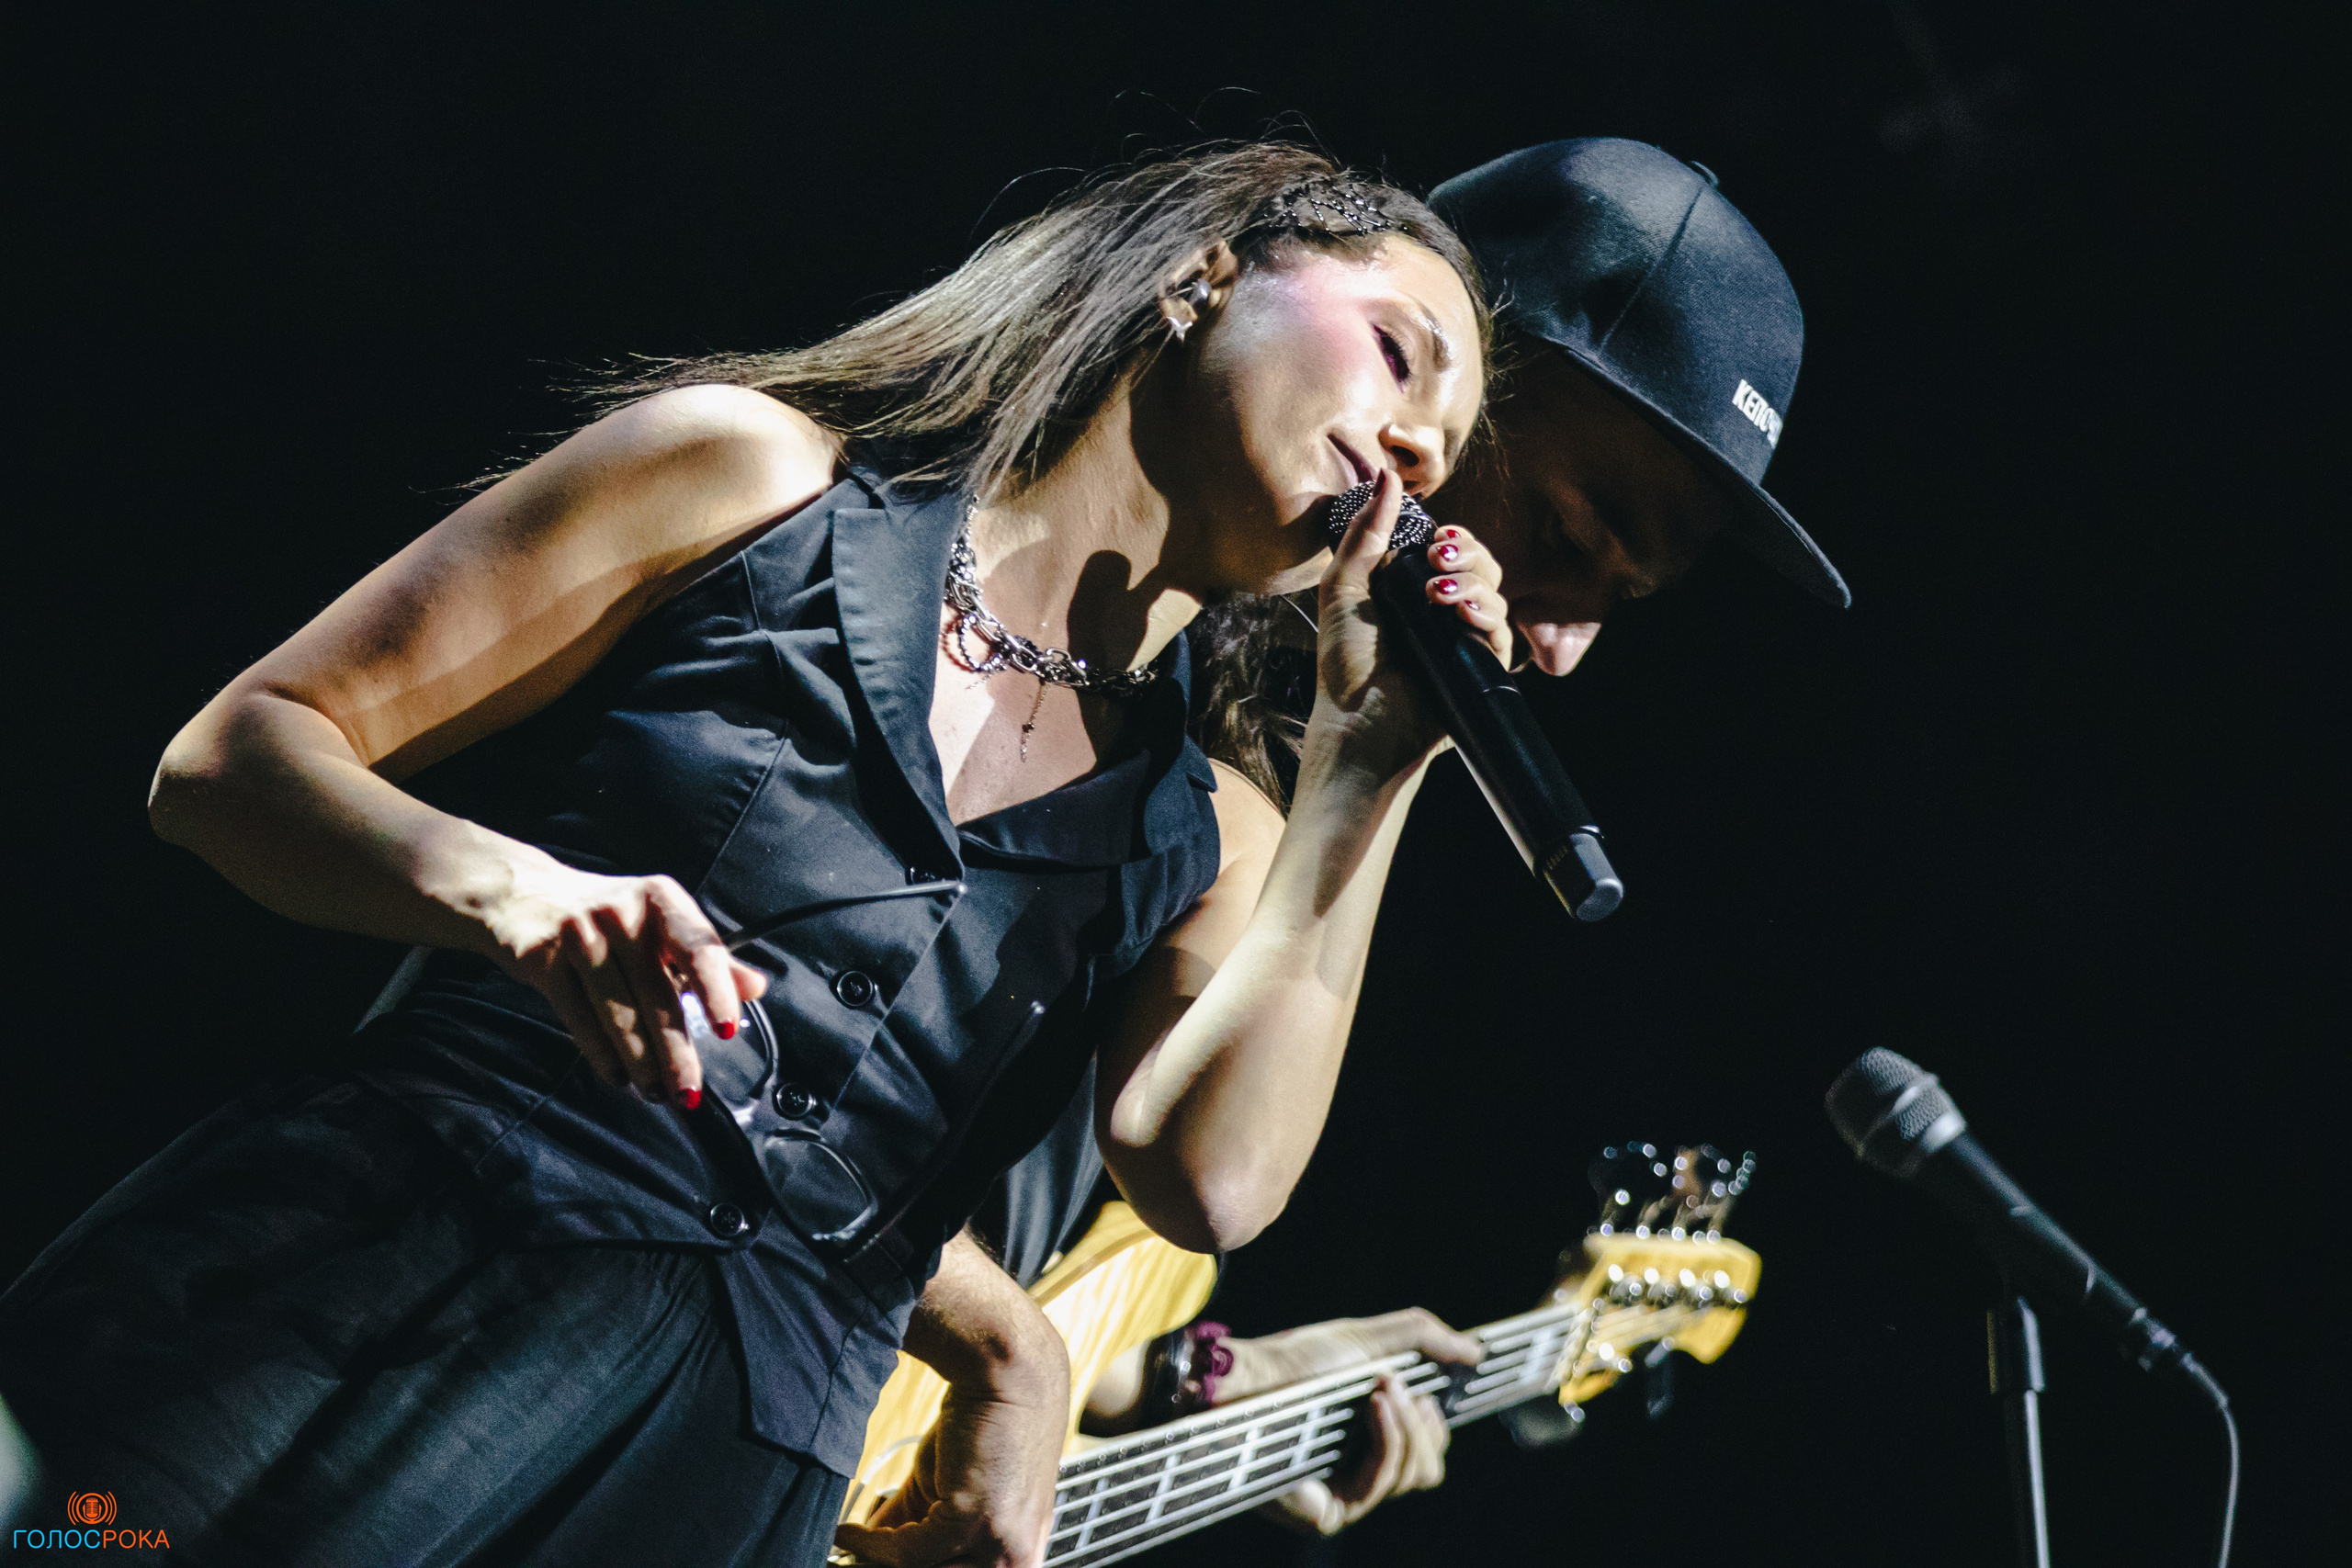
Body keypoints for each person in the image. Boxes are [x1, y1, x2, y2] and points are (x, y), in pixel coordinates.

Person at [0, 144, 1506, 1568]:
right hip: (375, 1266)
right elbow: (230, 760)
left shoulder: (1217, 834)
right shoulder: (752, 475)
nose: (1418, 446)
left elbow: (1213, 1191)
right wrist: (514, 893)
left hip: (723, 1466)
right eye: (1399, 354)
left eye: (1446, 449)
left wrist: (1364, 771)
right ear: (1204, 273)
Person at [878, 136, 1851, 1565]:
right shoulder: (969, 618)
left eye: (1617, 602)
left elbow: (1129, 1202)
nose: (1560, 642)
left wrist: (1216, 1383)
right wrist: (1003, 1340)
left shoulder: (1263, 798)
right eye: (1568, 534)